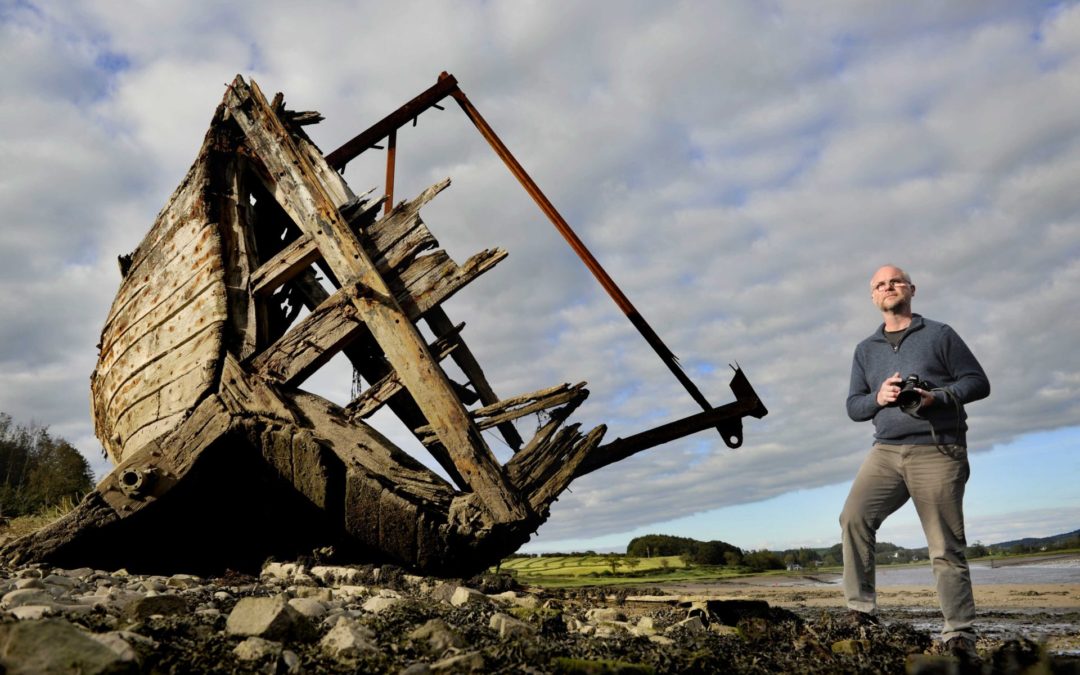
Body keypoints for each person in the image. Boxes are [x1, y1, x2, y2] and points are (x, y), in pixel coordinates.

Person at [840, 265, 990, 659]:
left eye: (895, 281)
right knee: (854, 518)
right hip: (885, 451)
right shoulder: (865, 350)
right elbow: (854, 407)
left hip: (937, 449)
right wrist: (879, 398)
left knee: (944, 543)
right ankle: (861, 611)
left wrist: (934, 397)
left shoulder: (940, 334)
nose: (888, 287)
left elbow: (977, 381)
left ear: (911, 289)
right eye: (880, 285)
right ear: (873, 297)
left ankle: (958, 633)